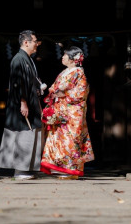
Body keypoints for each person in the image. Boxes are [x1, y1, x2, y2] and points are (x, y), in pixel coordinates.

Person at [0, 30, 45, 180]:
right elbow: (18, 83)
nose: (36, 44)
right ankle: (20, 170)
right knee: (24, 134)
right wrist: (23, 102)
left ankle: (28, 168)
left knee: (32, 133)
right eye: (34, 41)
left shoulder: (27, 59)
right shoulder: (18, 59)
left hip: (30, 101)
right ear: (26, 42)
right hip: (22, 103)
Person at [40, 46, 94, 179]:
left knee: (70, 139)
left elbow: (80, 93)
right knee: (57, 138)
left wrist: (63, 94)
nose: (62, 57)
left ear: (73, 59)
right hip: (60, 110)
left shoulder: (78, 72)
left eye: (65, 55)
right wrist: (53, 92)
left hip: (72, 112)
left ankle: (70, 169)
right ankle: (59, 167)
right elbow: (54, 88)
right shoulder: (65, 72)